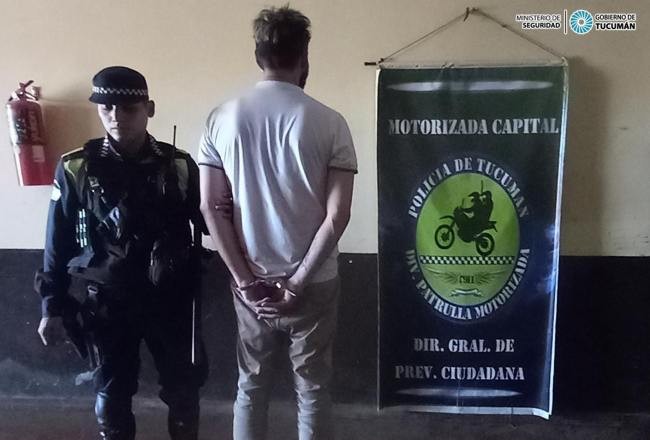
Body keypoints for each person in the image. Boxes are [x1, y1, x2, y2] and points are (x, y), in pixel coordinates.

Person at [198, 6, 357, 440]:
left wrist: (246, 282)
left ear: (258, 56)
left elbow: (211, 207)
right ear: (304, 57)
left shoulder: (221, 118)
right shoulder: (331, 122)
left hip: (251, 282)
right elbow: (338, 215)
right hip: (315, 281)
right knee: (313, 389)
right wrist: (298, 283)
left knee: (250, 386)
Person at [35, 66, 208, 440]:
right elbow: (57, 241)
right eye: (107, 108)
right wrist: (52, 306)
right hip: (109, 299)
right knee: (111, 394)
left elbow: (205, 226)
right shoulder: (77, 167)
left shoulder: (179, 165)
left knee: (183, 392)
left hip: (170, 299)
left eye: (128, 108)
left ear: (149, 109)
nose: (116, 117)